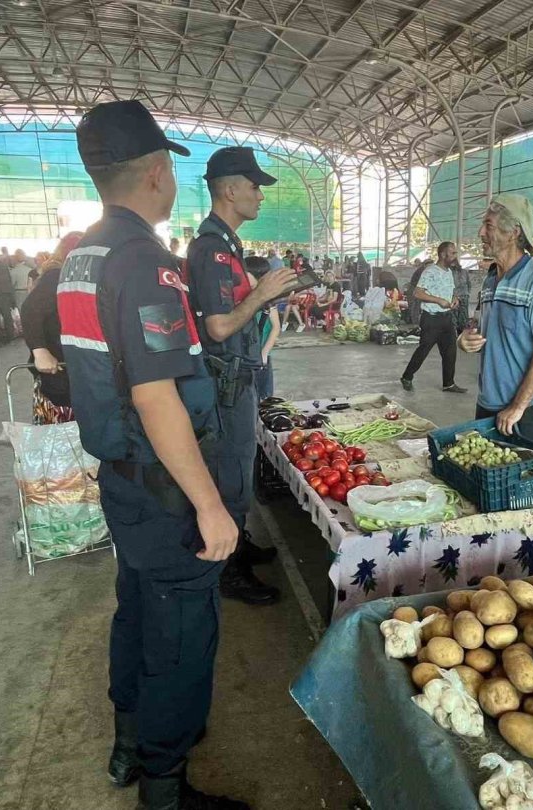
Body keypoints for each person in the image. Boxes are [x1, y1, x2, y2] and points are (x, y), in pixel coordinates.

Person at [56, 100, 254, 810]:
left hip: (123, 478)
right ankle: (163, 789)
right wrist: (209, 505)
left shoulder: (85, 252)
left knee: (137, 612)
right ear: (158, 172)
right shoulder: (145, 261)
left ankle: (128, 743)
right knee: (178, 637)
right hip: (166, 487)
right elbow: (157, 396)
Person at [186, 145, 296, 609]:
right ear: (229, 190)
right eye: (254, 186)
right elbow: (218, 326)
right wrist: (262, 294)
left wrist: (263, 298)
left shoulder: (227, 245)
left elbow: (234, 314)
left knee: (240, 468)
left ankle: (240, 538)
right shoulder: (211, 249)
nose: (260, 196)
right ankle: (229, 569)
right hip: (225, 384)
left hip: (238, 378)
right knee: (231, 471)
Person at [459, 194, 533, 446]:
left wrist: (518, 407)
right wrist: (464, 338)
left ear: (513, 232)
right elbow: (476, 324)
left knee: (527, 482)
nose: (481, 232)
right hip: (488, 402)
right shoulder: (491, 279)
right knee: (487, 479)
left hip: (527, 410)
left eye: (489, 225)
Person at [20, 231, 83, 424]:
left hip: (70, 369)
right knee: (59, 436)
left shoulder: (73, 277)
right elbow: (31, 309)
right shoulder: (57, 275)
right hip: (56, 372)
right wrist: (40, 351)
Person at [401, 242, 466, 394]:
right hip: (431, 319)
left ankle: (448, 384)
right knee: (424, 349)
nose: (455, 256)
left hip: (446, 318)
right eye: (453, 253)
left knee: (450, 352)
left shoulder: (449, 272)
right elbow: (417, 293)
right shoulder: (430, 272)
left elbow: (450, 290)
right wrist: (438, 300)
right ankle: (407, 376)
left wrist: (454, 298)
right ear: (443, 254)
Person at [244, 256, 282, 399]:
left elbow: (276, 327)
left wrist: (264, 353)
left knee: (265, 398)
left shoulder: (267, 298)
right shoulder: (243, 295)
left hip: (262, 356)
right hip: (246, 356)